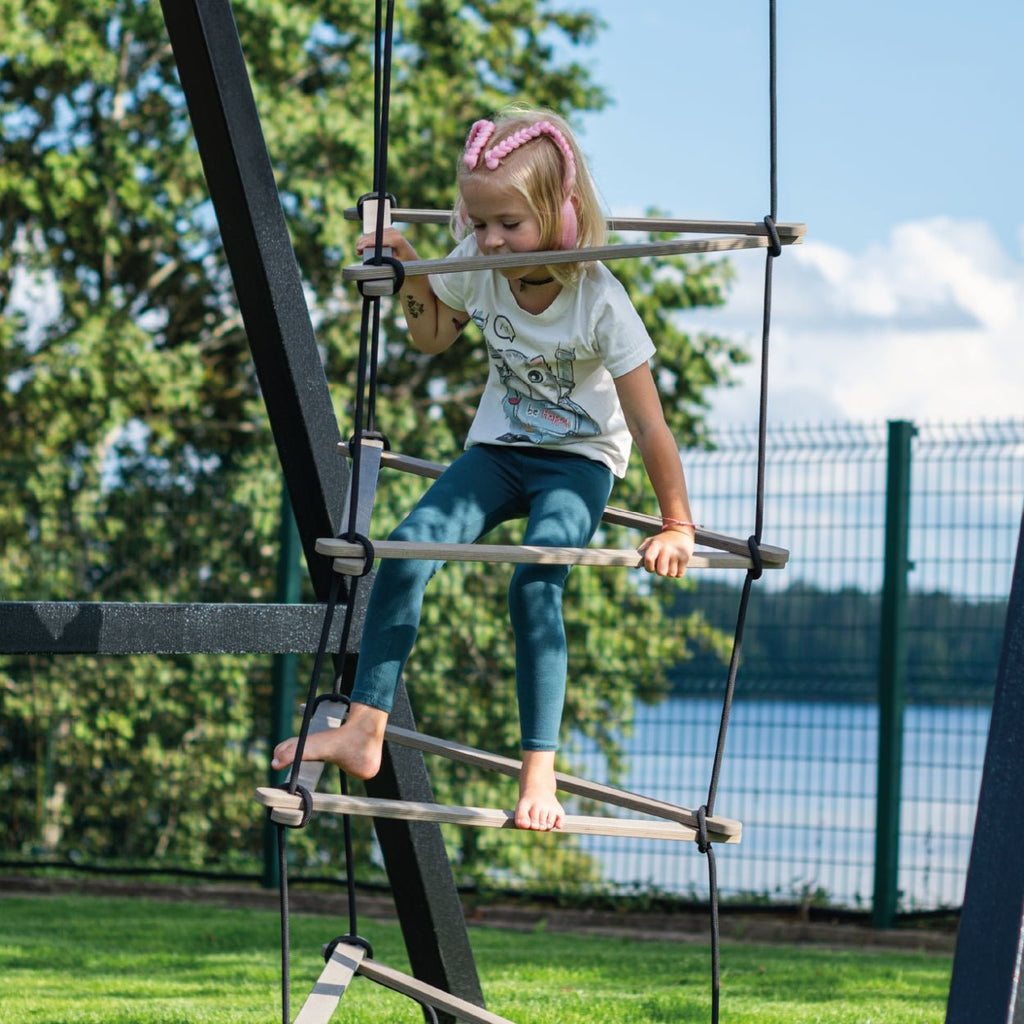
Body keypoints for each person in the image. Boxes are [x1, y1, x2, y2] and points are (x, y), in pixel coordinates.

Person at [272, 107, 696, 831]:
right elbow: (433, 335)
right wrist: (410, 269)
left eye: (510, 224)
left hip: (577, 463)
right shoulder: (477, 264)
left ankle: (540, 773)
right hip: (498, 451)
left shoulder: (600, 300)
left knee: (536, 581)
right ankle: (365, 728)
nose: (491, 239)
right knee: (407, 548)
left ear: (561, 216)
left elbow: (651, 423)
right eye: (480, 221)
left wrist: (676, 524)